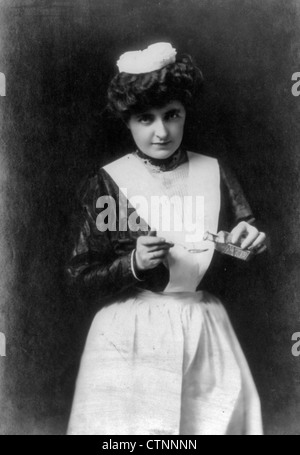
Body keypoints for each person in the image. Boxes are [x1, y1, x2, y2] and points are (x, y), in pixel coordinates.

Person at [66, 42, 267, 435]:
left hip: (203, 326)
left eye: (172, 115)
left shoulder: (215, 172)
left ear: (185, 112)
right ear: (127, 121)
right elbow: (79, 275)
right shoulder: (108, 183)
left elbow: (225, 249)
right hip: (132, 334)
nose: (162, 132)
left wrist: (245, 245)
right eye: (146, 119)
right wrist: (134, 265)